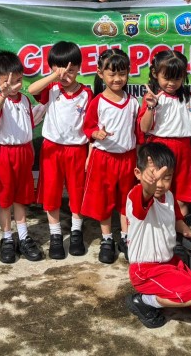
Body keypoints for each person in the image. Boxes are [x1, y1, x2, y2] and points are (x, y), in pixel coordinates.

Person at [125, 142, 191, 329]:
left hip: (170, 263)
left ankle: (165, 293)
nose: (159, 184)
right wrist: (147, 187)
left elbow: (176, 219)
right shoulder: (136, 195)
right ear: (138, 174)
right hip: (146, 270)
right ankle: (144, 300)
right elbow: (145, 197)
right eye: (153, 177)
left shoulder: (169, 196)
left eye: (166, 178)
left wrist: (189, 232)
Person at [27, 41, 93, 259]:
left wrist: (89, 155)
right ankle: (55, 235)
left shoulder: (86, 93)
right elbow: (31, 89)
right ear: (53, 69)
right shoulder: (51, 89)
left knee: (77, 193)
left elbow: (91, 126)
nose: (65, 76)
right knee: (51, 193)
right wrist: (54, 77)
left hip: (77, 150)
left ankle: (75, 232)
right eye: (60, 70)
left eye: (71, 71)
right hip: (51, 150)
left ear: (79, 69)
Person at [81, 48, 139, 264]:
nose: (117, 79)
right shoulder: (97, 102)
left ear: (128, 73)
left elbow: (137, 132)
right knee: (103, 200)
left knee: (127, 200)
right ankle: (107, 239)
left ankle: (126, 238)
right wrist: (96, 133)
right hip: (103, 159)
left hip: (128, 158)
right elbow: (88, 128)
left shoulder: (133, 102)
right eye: (111, 74)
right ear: (100, 73)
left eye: (122, 73)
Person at [0, 51, 44, 263]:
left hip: (24, 152)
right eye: (8, 82)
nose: (14, 86)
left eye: (18, 81)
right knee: (5, 200)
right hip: (4, 154)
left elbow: (29, 124)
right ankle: (7, 238)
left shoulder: (26, 101)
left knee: (21, 197)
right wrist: (2, 94)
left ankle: (23, 236)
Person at [137, 50, 191, 217]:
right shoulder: (152, 97)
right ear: (155, 73)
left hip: (184, 150)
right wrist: (151, 106)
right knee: (157, 192)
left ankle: (178, 235)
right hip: (158, 149)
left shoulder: (189, 97)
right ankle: (157, 233)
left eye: (177, 78)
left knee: (182, 196)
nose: (172, 83)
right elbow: (144, 128)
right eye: (167, 78)